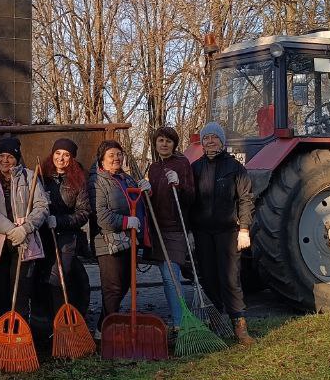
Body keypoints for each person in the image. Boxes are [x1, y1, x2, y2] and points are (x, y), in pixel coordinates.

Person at [189, 121, 255, 344]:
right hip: (203, 232)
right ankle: (217, 323)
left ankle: (239, 325)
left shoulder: (235, 168)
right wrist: (188, 231)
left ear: (222, 141)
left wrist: (244, 229)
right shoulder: (195, 168)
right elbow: (189, 201)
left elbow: (246, 199)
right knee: (208, 278)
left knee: (230, 278)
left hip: (228, 232)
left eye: (214, 138)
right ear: (202, 143)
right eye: (206, 138)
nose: (210, 142)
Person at [0, 136, 49, 320]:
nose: (5, 160)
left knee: (21, 292)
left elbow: (42, 207)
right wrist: (12, 230)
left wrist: (25, 229)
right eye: (1, 155)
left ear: (17, 158)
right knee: (2, 292)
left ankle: (21, 331)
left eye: (10, 156)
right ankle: (5, 330)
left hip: (24, 242)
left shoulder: (29, 177)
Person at [34, 138, 92, 330]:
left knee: (57, 278)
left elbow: (83, 212)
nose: (61, 158)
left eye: (66, 155)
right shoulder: (42, 177)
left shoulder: (78, 180)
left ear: (72, 158)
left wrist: (59, 221)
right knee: (40, 278)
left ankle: (61, 326)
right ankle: (44, 323)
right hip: (43, 236)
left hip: (67, 237)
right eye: (58, 153)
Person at [91, 139, 147, 333]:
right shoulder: (97, 181)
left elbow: (139, 203)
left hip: (129, 240)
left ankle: (106, 323)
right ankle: (103, 329)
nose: (116, 158)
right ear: (102, 160)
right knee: (113, 288)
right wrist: (125, 222)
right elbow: (101, 215)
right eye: (111, 155)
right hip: (109, 242)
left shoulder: (126, 178)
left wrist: (147, 190)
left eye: (119, 154)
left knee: (124, 284)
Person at [147, 126, 195, 329]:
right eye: (160, 141)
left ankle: (180, 322)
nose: (164, 144)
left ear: (174, 144)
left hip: (176, 228)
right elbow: (154, 202)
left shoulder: (182, 164)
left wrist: (180, 186)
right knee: (166, 279)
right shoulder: (154, 168)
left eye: (168, 141)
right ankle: (178, 320)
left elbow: (191, 196)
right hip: (158, 229)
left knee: (171, 276)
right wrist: (146, 193)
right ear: (156, 143)